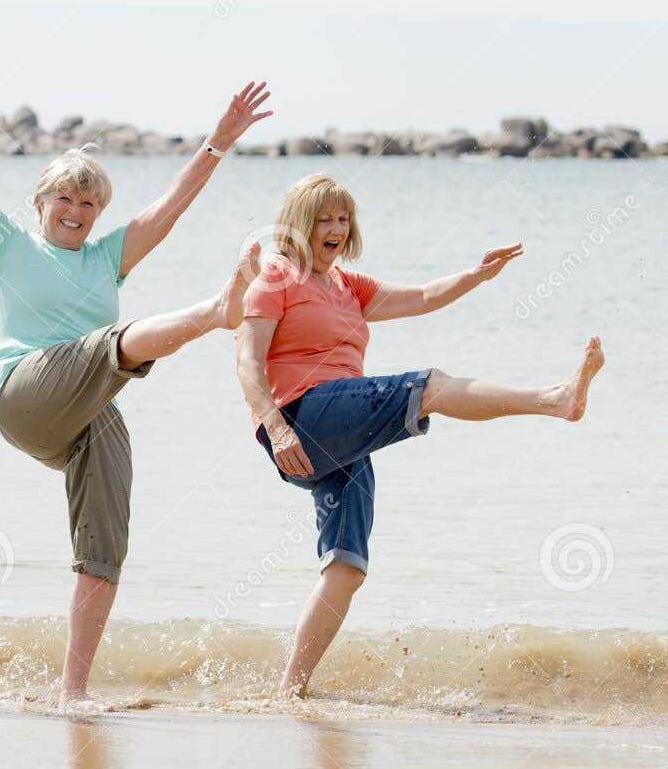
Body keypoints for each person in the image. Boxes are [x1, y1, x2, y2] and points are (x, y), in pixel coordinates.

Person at [0, 30, 271, 707]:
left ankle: (71, 691)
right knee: (113, 342)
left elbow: (170, 205)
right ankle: (215, 311)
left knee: (105, 547)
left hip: (83, 409)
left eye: (88, 205)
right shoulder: (4, 242)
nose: (76, 213)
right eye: (64, 201)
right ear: (41, 202)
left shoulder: (107, 258)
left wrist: (218, 139)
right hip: (21, 392)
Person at [236, 173, 605, 697]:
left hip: (343, 434)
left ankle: (288, 690)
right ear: (300, 224)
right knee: (428, 386)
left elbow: (425, 296)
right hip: (300, 417)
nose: (336, 228)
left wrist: (476, 274)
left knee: (347, 567)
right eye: (324, 219)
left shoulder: (347, 286)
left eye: (343, 218)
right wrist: (275, 427)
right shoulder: (274, 277)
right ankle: (553, 400)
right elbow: (247, 362)